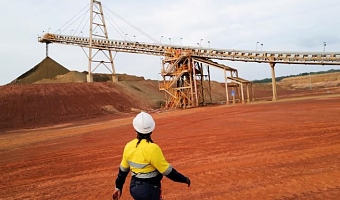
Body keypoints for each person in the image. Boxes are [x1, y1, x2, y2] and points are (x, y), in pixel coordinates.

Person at [112, 111, 191, 200]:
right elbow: (167, 171)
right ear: (151, 129)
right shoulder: (153, 148)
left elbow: (122, 172)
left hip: (134, 188)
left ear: (135, 129)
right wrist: (184, 179)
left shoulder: (129, 146)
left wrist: (118, 187)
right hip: (149, 189)